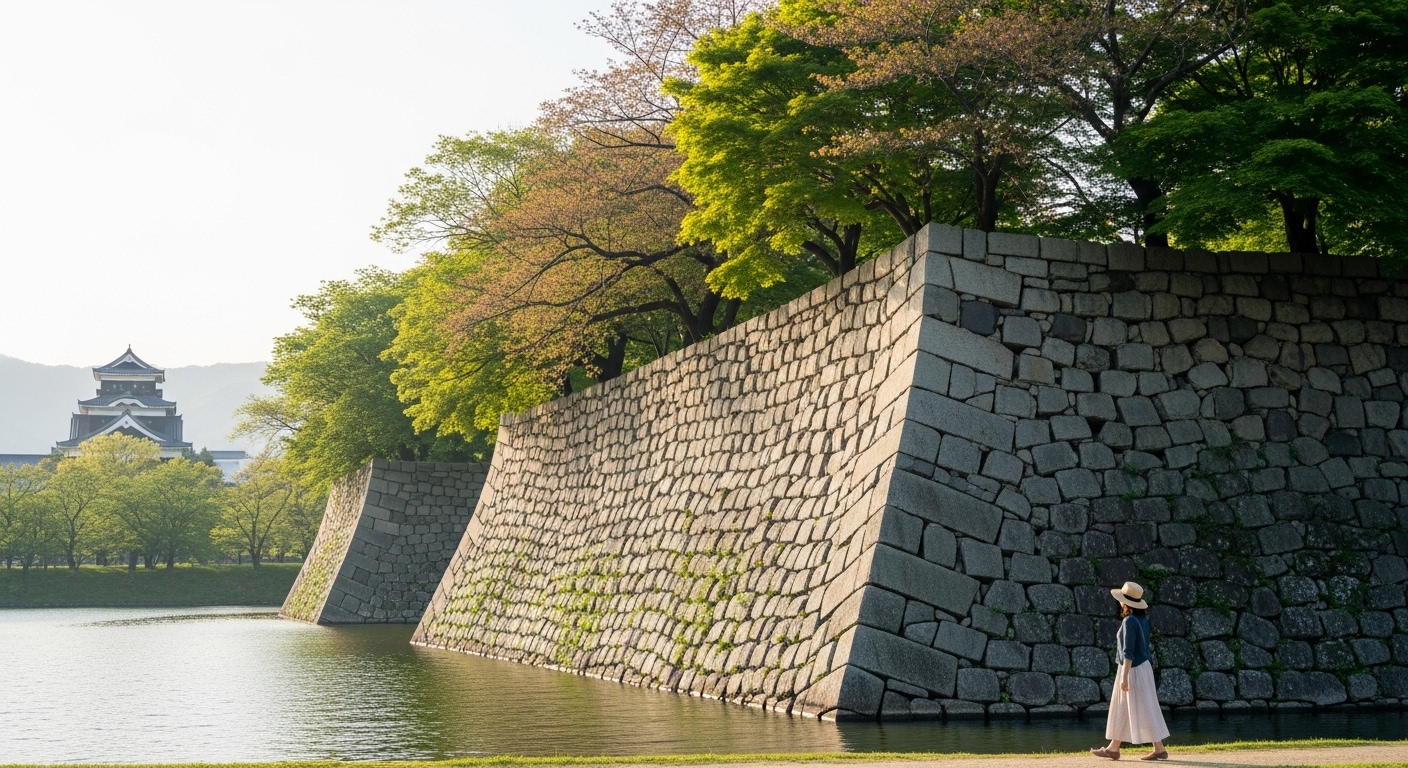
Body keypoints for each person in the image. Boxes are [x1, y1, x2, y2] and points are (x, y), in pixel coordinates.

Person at [1092, 581, 1169, 761]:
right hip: (1143, 668)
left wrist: (1124, 677)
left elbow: (1128, 651)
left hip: (1132, 668)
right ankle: (1115, 747)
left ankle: (1158, 748)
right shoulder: (1142, 621)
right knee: (1128, 706)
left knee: (1141, 706)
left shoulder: (1129, 621)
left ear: (1125, 603)